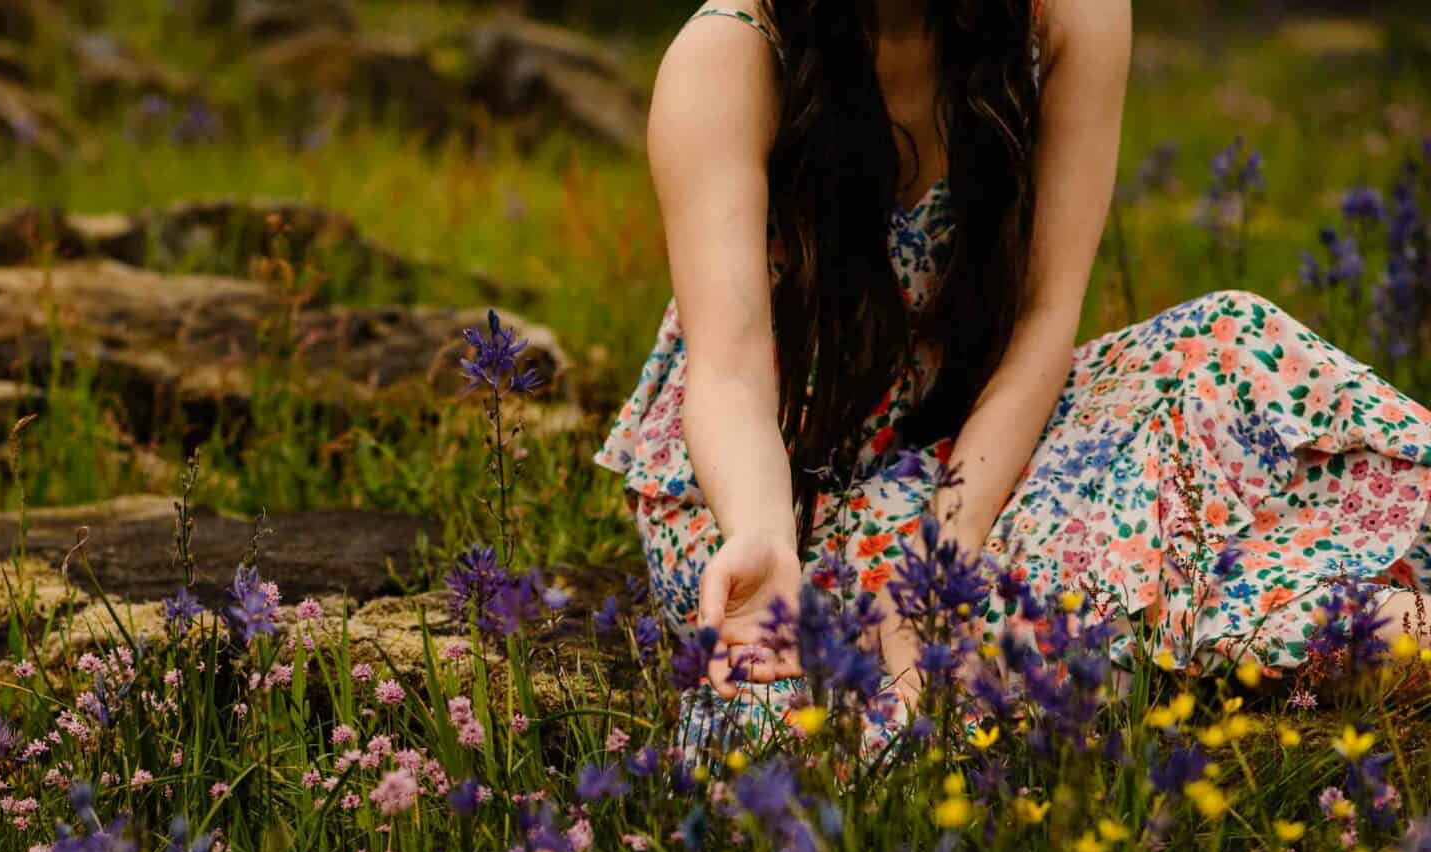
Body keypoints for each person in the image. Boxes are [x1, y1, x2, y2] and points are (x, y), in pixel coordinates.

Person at [597, 0, 1431, 745]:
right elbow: (731, 371)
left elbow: (1044, 318)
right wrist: (763, 535)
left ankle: (1331, 623)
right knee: (982, 607)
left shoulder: (1073, 15)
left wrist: (947, 556)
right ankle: (1353, 628)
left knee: (1227, 342)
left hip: (985, 447)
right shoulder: (731, 54)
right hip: (779, 491)